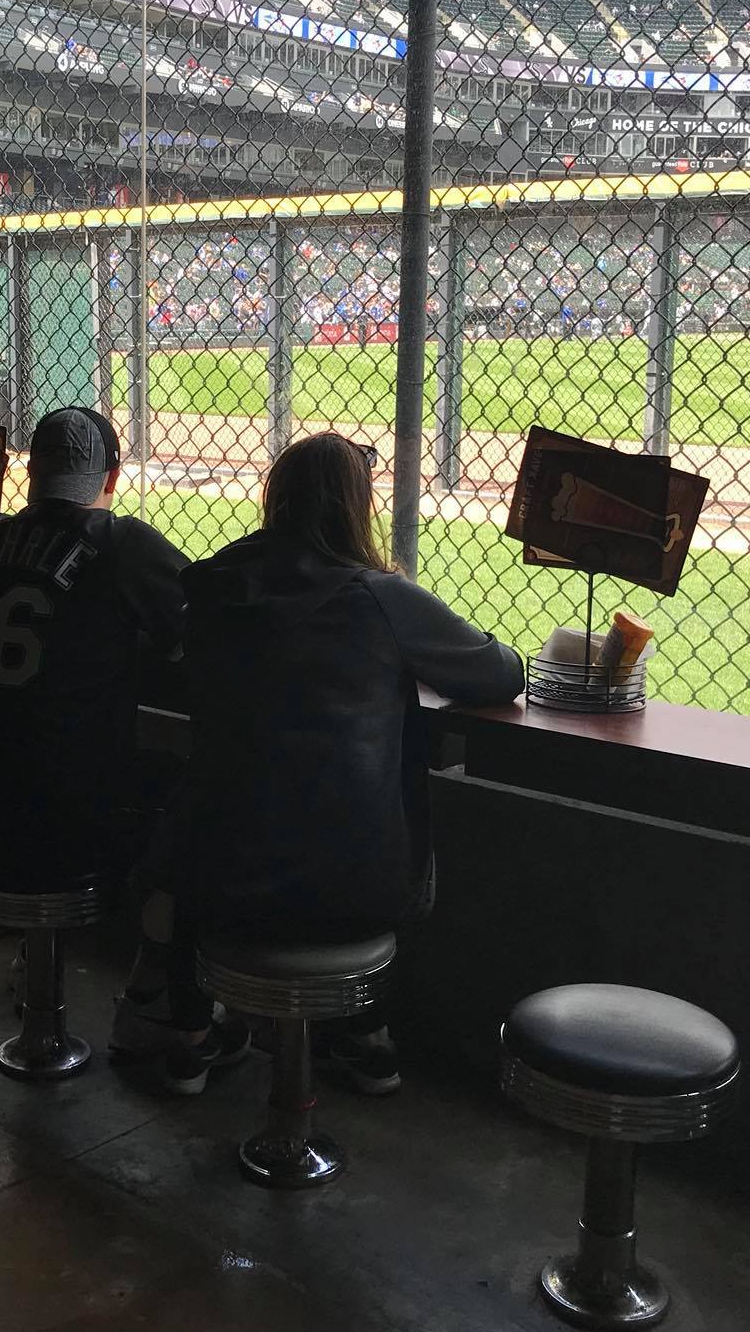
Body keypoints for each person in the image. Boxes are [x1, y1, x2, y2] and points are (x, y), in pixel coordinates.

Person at [144, 433, 524, 1096]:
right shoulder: (379, 597)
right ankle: (362, 1034)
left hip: (216, 883)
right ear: (356, 507)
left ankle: (191, 1032)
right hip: (353, 892)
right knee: (364, 815)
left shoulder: (210, 585)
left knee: (210, 810)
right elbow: (500, 673)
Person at [0, 409, 232, 1067]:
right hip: (55, 828)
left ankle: (37, 954)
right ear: (111, 475)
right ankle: (161, 1002)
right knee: (198, 797)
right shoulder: (119, 543)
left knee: (35, 751)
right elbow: (205, 628)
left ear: (31, 472)